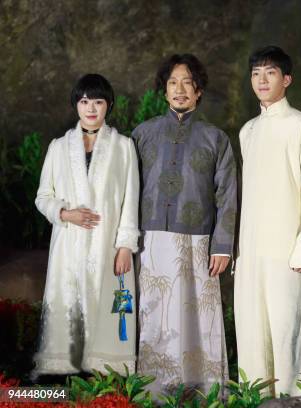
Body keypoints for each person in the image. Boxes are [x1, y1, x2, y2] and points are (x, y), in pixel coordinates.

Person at [133, 54, 237, 395]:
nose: (180, 90)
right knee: (155, 318)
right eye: (173, 82)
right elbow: (127, 191)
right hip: (150, 242)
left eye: (187, 82)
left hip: (199, 244)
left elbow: (228, 197)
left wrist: (222, 246)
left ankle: (203, 392)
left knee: (197, 321)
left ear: (199, 91)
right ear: (164, 90)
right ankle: (154, 392)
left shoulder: (215, 139)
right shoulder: (142, 134)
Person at [33, 74, 139, 375]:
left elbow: (130, 201)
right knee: (67, 305)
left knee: (108, 307)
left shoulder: (123, 147)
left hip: (108, 246)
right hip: (68, 245)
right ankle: (63, 373)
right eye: (83, 101)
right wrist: (65, 213)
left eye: (98, 101)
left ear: (108, 106)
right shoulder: (58, 147)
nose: (90, 108)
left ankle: (106, 374)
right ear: (75, 105)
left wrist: (124, 246)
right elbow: (43, 196)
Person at [234, 45, 301, 396]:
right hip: (252, 250)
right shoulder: (248, 131)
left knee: (289, 330)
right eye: (256, 73)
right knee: (253, 330)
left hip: (288, 248)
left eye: (270, 72)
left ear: (287, 79)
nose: (261, 79)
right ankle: (253, 398)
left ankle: (295, 399)